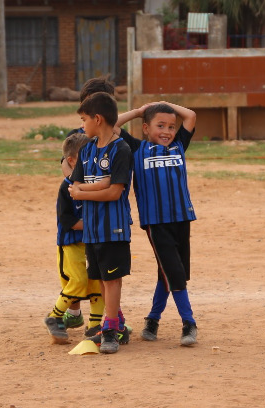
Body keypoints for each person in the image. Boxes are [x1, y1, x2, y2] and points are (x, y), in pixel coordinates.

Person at [115, 101, 199, 346]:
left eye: (171, 126)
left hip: (182, 218)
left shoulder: (178, 145)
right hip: (156, 222)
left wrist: (164, 105)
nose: (167, 131)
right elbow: (113, 125)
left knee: (171, 273)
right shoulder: (136, 148)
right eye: (160, 125)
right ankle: (189, 323)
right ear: (145, 128)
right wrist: (141, 111)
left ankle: (152, 319)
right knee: (174, 272)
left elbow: (191, 114)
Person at [68, 91, 133, 354]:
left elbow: (115, 191)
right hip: (93, 229)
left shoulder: (121, 149)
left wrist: (86, 190)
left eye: (84, 120)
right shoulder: (85, 150)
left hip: (113, 228)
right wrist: (98, 184)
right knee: (101, 279)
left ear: (97, 119)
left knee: (112, 279)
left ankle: (110, 330)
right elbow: (74, 184)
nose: (82, 126)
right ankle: (117, 323)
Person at [43, 134, 107, 344]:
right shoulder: (67, 187)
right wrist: (94, 225)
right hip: (71, 244)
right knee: (78, 281)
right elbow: (67, 219)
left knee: (97, 283)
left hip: (92, 242)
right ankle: (54, 317)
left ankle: (95, 325)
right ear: (71, 161)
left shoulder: (95, 184)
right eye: (86, 155)